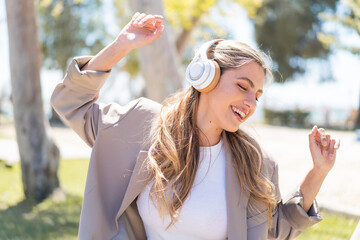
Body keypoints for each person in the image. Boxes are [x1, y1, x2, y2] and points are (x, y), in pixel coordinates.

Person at [51, 12, 340, 240]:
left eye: (258, 96)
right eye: (243, 86)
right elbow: (71, 102)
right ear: (206, 77)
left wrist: (319, 172)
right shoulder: (141, 125)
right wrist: (121, 45)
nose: (251, 102)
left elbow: (274, 229)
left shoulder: (255, 163)